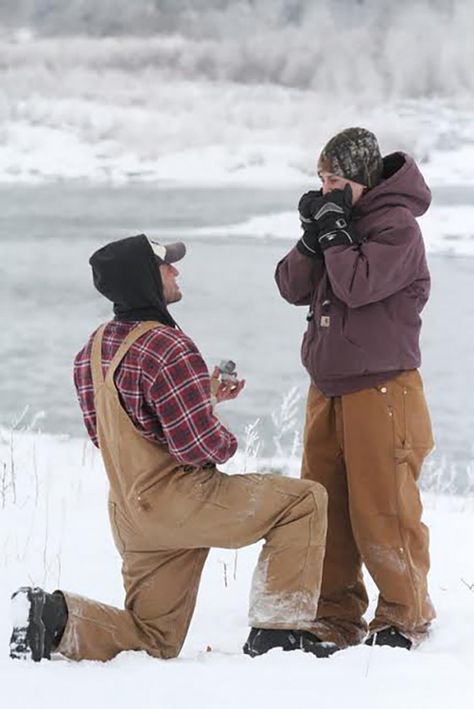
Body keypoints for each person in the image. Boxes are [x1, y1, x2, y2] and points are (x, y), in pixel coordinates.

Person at [10, 233, 332, 663]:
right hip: (183, 503)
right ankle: (279, 633)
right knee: (305, 501)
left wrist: (204, 395)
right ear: (146, 279)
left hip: (131, 512)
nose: (176, 271)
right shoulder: (168, 345)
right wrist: (219, 428)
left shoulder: (92, 348)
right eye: (166, 266)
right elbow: (201, 448)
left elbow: (115, 431)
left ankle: (54, 617)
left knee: (155, 639)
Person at [275, 127, 436, 651]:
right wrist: (310, 237)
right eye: (322, 179)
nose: (327, 189)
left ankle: (403, 613)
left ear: (363, 179)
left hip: (383, 389)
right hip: (328, 387)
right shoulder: (335, 222)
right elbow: (290, 287)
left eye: (337, 179)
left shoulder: (398, 228)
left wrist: (336, 232)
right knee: (327, 504)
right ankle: (335, 612)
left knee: (383, 505)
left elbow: (357, 286)